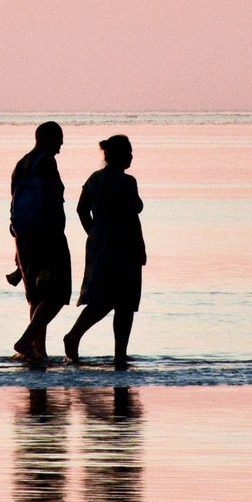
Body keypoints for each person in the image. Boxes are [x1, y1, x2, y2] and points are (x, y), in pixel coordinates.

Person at [63, 135, 146, 369]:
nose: (131, 157)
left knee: (102, 297)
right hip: (124, 246)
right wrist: (140, 247)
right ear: (119, 155)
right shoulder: (127, 182)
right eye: (128, 153)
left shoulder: (94, 179)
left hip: (100, 245)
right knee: (124, 302)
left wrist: (94, 233)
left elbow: (81, 210)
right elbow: (132, 217)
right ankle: (119, 355)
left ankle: (75, 335)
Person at [9, 121, 69, 366]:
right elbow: (52, 201)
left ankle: (37, 351)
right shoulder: (46, 162)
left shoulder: (21, 164)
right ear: (50, 138)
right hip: (47, 236)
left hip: (23, 237)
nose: (61, 146)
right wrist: (55, 237)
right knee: (58, 294)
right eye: (60, 139)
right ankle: (26, 341)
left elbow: (16, 204)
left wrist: (16, 242)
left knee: (36, 296)